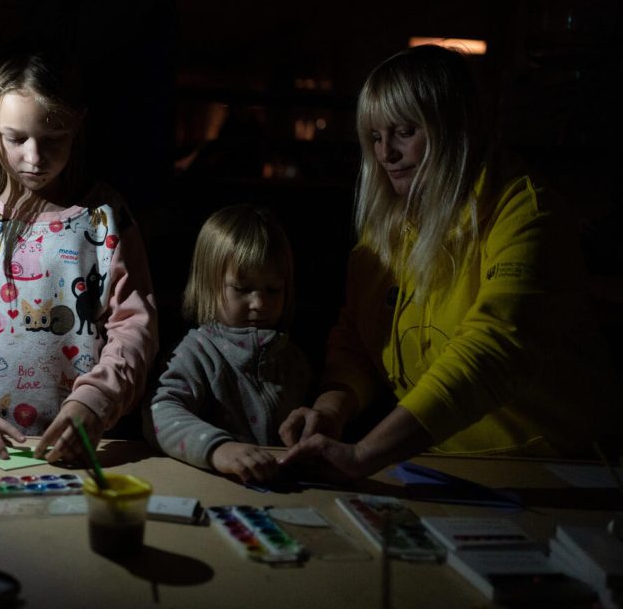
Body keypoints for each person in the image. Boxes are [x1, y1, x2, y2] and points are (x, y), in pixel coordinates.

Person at [279, 44, 621, 481]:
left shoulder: (525, 213)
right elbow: (359, 339)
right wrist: (329, 410)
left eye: (404, 130)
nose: (386, 153)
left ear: (454, 126)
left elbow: (492, 350)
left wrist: (366, 454)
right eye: (376, 137)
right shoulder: (391, 225)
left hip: (560, 471)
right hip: (453, 471)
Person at [0, 48, 158, 462]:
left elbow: (134, 327)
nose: (34, 157)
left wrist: (97, 401)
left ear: (78, 123)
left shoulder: (106, 216)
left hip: (84, 449)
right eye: (16, 138)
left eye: (53, 139)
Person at [145, 204, 310, 484]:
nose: (260, 304)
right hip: (216, 489)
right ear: (208, 284)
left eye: (273, 290)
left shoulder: (294, 359)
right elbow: (159, 414)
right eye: (243, 289)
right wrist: (218, 448)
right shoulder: (196, 353)